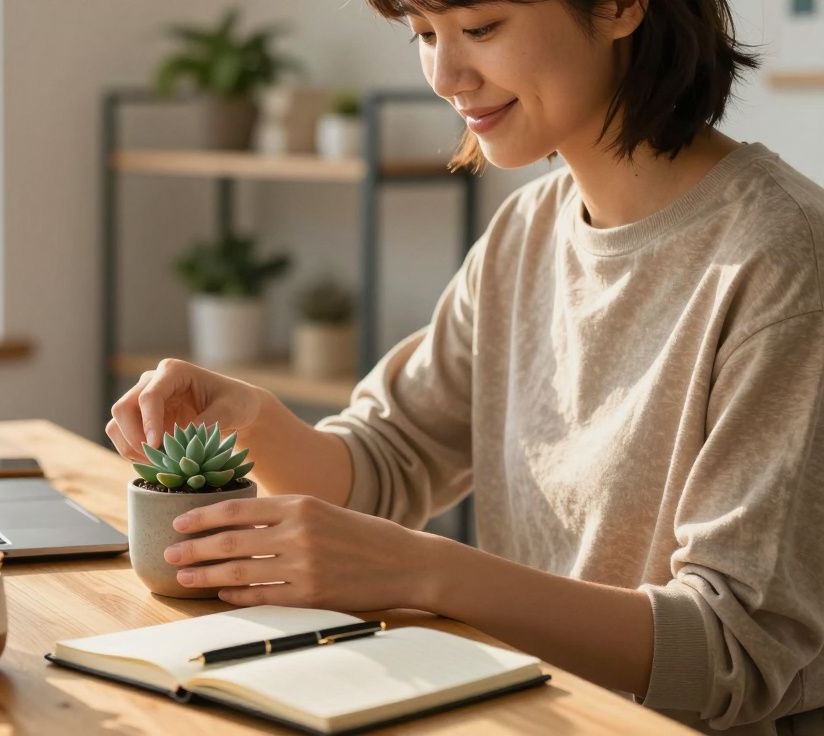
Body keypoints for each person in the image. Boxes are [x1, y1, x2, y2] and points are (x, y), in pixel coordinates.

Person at [106, 1, 824, 733]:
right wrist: (257, 420)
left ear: (617, 7)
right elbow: (390, 460)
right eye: (423, 34)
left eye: (481, 28)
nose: (446, 76)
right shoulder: (525, 231)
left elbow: (734, 650)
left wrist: (430, 572)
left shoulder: (784, 259)